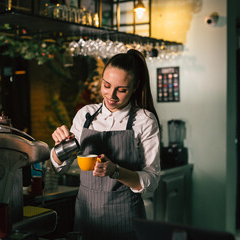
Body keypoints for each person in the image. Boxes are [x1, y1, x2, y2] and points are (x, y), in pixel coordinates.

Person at [50, 49, 160, 240]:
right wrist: (60, 146)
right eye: (106, 85)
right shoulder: (85, 115)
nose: (111, 95)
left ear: (135, 87)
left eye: (121, 89)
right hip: (86, 219)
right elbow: (59, 167)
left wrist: (116, 171)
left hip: (125, 221)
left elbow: (152, 182)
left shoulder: (144, 120)